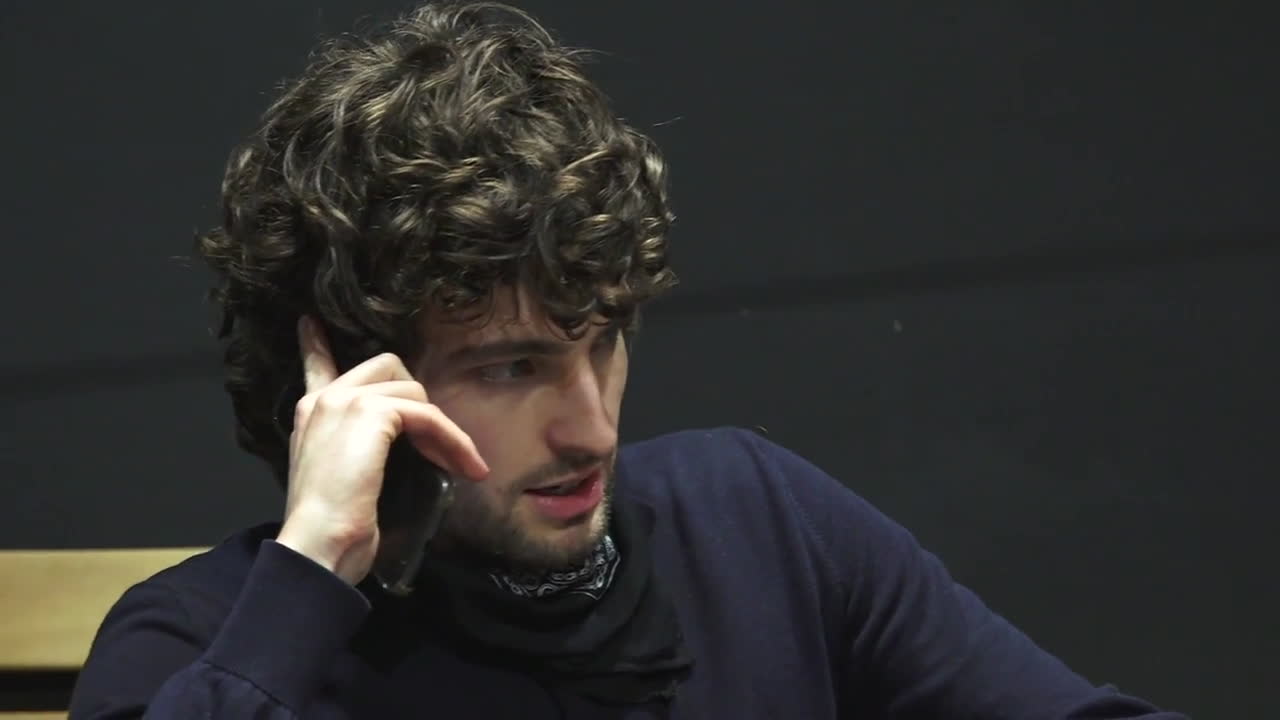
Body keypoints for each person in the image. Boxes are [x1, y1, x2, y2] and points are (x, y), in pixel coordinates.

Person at [69, 3, 1187, 718]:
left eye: (599, 340)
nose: (592, 427)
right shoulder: (203, 639)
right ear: (356, 385)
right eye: (511, 368)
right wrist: (314, 571)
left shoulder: (755, 519)